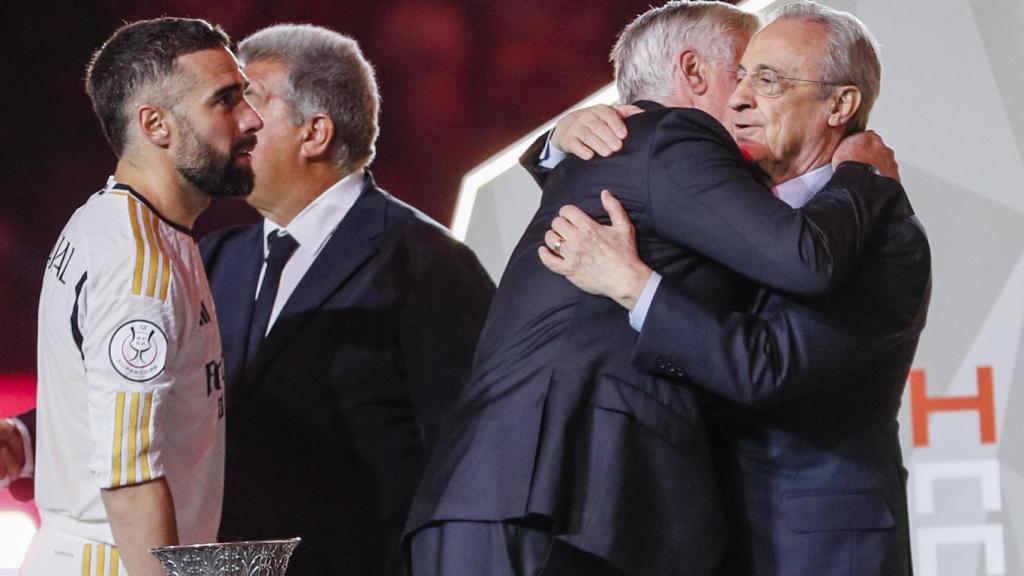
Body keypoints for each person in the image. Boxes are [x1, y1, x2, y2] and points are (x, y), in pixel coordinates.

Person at [403, 2, 905, 575]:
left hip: (517, 497)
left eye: (764, 80)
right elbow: (804, 259)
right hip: (552, 496)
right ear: (694, 74)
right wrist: (863, 172)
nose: (745, 97)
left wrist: (552, 147)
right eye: (742, 73)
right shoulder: (675, 136)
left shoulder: (623, 147)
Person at [200, 24, 495, 576]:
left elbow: (471, 465)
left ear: (314, 133)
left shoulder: (428, 265)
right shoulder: (214, 261)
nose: (233, 123)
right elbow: (153, 399)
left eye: (251, 102)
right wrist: (25, 438)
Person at [24, 17, 262, 576]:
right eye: (225, 101)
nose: (251, 119)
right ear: (156, 124)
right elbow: (129, 478)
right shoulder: (138, 267)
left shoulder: (122, 224)